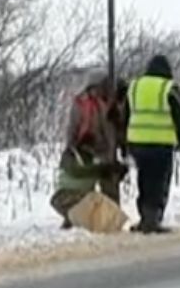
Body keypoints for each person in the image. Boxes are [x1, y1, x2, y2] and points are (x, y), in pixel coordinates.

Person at [51, 76, 130, 230]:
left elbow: (73, 128)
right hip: (94, 149)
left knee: (98, 183)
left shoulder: (85, 101)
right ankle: (100, 219)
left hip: (96, 149)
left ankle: (106, 219)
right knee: (96, 184)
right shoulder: (94, 102)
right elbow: (118, 129)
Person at [124, 54, 180, 234]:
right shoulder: (169, 87)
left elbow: (126, 114)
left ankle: (145, 217)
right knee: (159, 182)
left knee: (144, 180)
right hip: (161, 143)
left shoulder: (135, 86)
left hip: (137, 142)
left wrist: (125, 142)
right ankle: (153, 219)